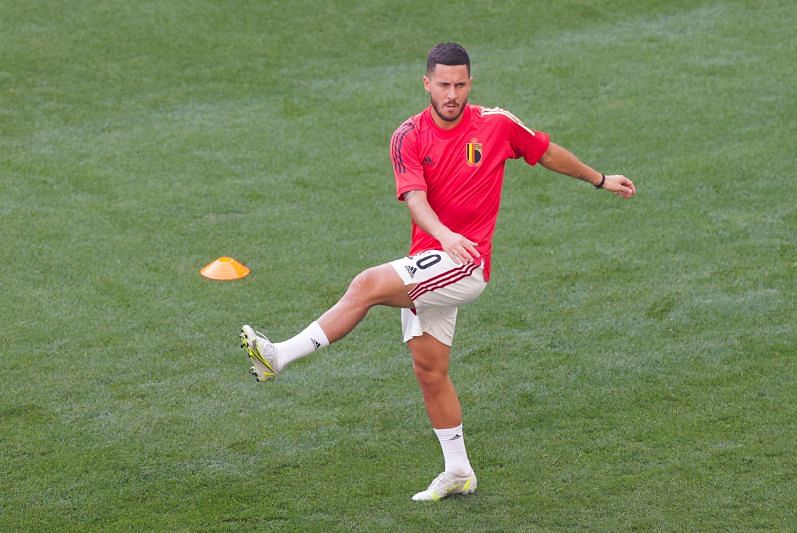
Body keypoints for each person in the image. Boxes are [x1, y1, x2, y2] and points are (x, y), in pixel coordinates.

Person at [240, 42, 636, 502]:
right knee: (430, 371)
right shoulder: (407, 136)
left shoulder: (497, 125)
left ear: (471, 83)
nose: (452, 93)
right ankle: (459, 471)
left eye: (460, 84)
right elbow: (415, 199)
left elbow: (544, 152)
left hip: (466, 265)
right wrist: (443, 234)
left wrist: (600, 179)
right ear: (427, 83)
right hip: (431, 259)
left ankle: (279, 356)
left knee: (366, 285)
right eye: (444, 84)